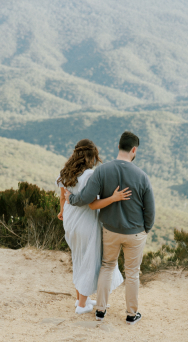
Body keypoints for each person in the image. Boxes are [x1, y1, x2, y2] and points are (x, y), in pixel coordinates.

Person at [66, 131, 155, 326]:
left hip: (110, 230)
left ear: (118, 146)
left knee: (107, 266)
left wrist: (70, 199)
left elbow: (85, 198)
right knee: (132, 273)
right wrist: (145, 230)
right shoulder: (142, 176)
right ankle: (131, 315)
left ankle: (100, 311)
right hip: (135, 232)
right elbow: (150, 210)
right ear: (134, 150)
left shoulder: (102, 171)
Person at [57, 139, 130, 314]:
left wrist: (61, 212)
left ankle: (80, 299)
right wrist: (114, 198)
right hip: (86, 221)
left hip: (70, 221)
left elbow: (62, 197)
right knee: (89, 261)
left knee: (79, 258)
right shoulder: (90, 175)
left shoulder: (65, 173)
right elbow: (93, 203)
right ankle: (82, 306)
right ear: (91, 156)